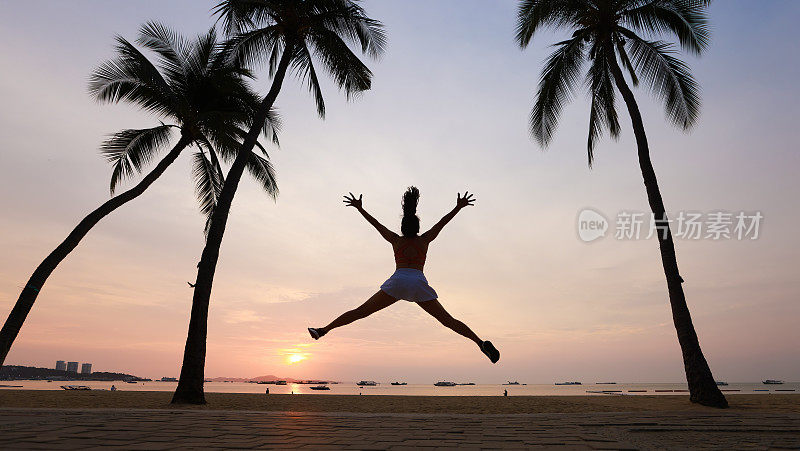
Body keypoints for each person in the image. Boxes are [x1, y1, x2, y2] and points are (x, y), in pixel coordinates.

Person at [308, 187, 500, 363]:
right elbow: (442, 223)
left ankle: (323, 330)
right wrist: (458, 207)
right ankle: (480, 342)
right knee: (448, 321)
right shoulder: (425, 240)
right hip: (418, 283)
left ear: (402, 227)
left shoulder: (395, 240)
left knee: (360, 312)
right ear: (417, 227)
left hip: (398, 282)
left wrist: (359, 208)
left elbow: (376, 224)